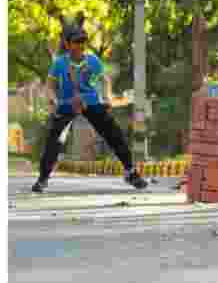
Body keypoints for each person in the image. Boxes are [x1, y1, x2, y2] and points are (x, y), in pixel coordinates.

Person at [32, 13, 149, 193]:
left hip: (90, 101)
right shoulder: (59, 64)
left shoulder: (93, 61)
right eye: (76, 42)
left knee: (113, 133)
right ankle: (43, 178)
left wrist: (108, 97)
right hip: (66, 103)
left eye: (83, 42)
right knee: (54, 140)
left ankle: (131, 172)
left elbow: (104, 80)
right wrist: (52, 100)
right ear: (67, 44)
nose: (80, 46)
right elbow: (50, 85)